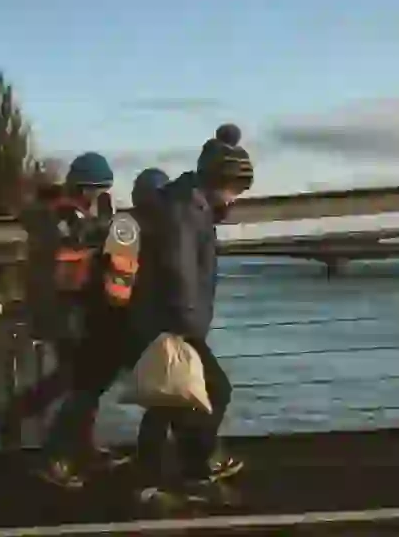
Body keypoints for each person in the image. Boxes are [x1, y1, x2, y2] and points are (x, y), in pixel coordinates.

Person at [127, 124, 252, 508]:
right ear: (218, 180)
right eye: (234, 190)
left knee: (169, 402)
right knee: (213, 392)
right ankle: (194, 473)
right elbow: (180, 270)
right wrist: (190, 328)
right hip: (173, 322)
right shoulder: (186, 210)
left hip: (166, 320)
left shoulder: (189, 205)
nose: (234, 200)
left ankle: (159, 481)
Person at [32, 166, 171, 489]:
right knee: (164, 389)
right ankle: (161, 459)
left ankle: (62, 455)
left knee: (88, 390)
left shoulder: (118, 225)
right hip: (118, 324)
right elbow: (120, 286)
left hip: (102, 323)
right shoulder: (133, 228)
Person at [0, 152, 126, 472]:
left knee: (76, 376)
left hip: (59, 306)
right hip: (68, 307)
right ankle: (52, 442)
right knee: (82, 378)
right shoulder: (67, 218)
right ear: (83, 186)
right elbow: (76, 256)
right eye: (96, 189)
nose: (98, 195)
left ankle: (70, 439)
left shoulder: (57, 213)